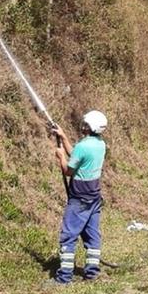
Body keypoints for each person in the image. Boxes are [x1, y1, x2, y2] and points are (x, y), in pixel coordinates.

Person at [50, 110, 107, 283]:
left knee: (68, 236)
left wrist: (60, 157)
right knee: (92, 235)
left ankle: (64, 277)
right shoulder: (100, 144)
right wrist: (63, 136)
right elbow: (77, 155)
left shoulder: (84, 145)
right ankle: (92, 273)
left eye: (85, 124)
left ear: (90, 127)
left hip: (79, 198)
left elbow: (68, 170)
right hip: (94, 197)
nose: (83, 126)